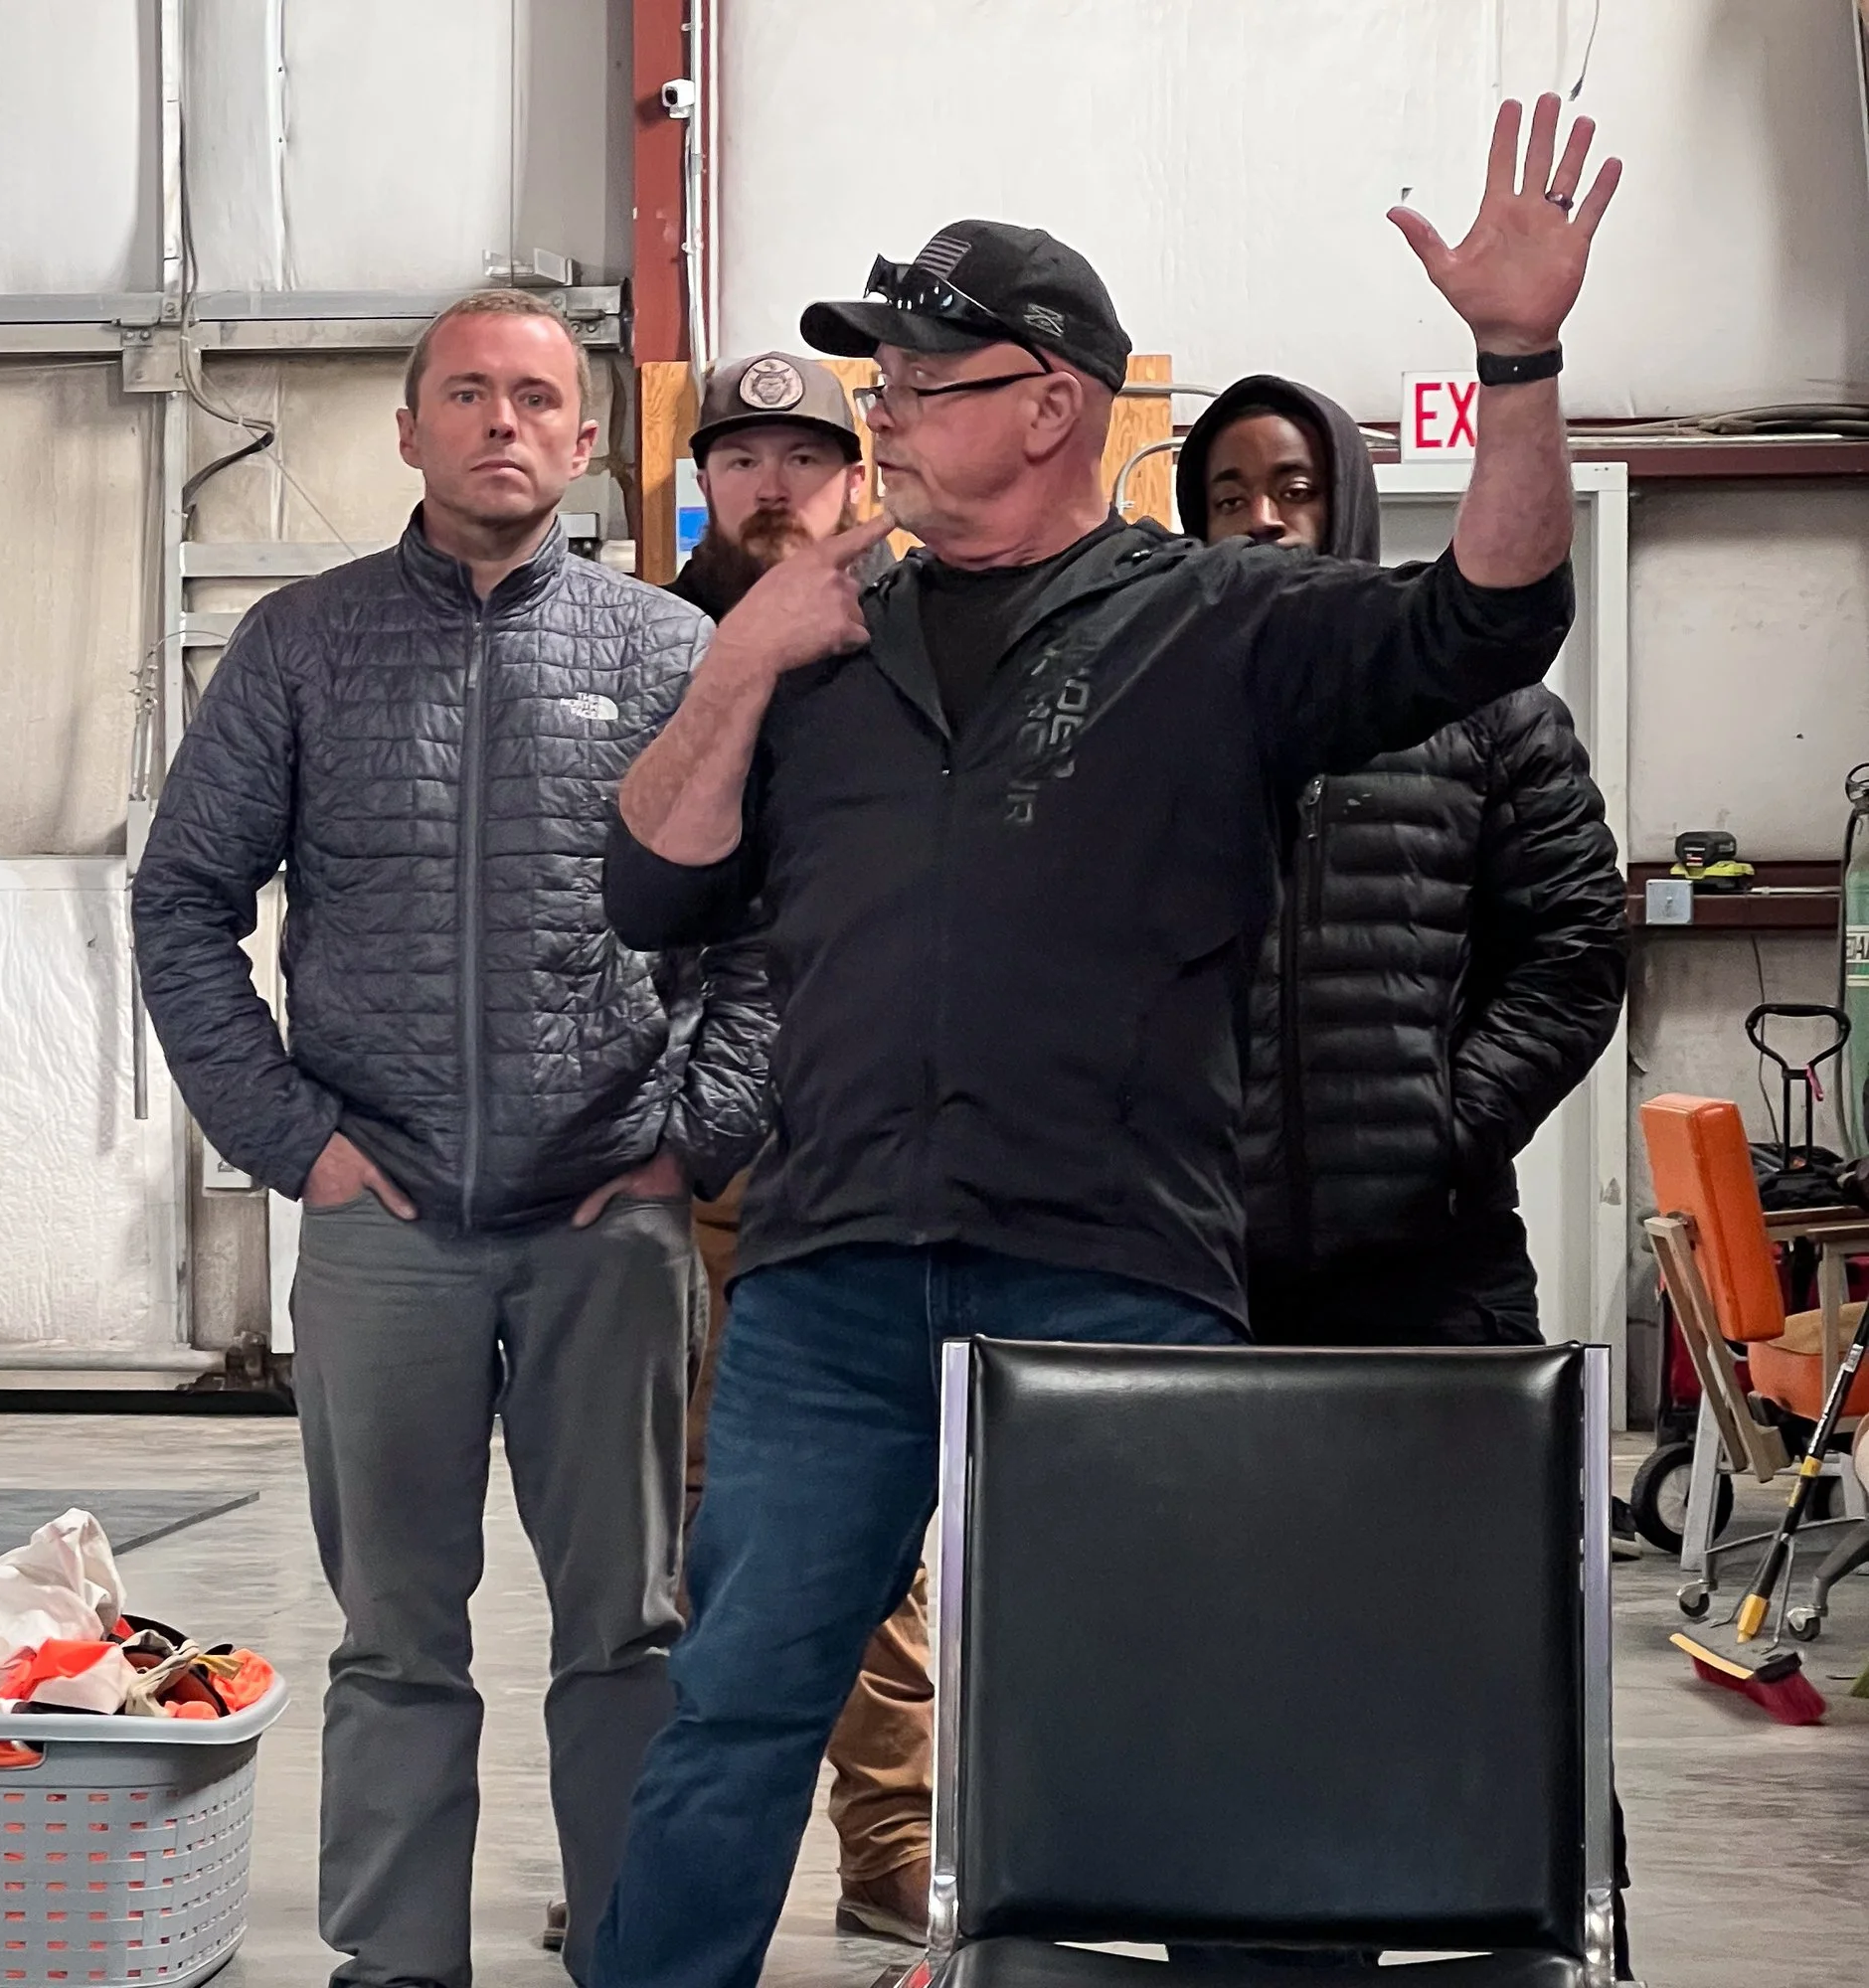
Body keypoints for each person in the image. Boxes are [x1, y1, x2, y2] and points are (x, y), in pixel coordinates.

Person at [591, 96, 1620, 1988]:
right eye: (882, 380)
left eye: (926, 379)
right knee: (733, 1709)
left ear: (1053, 403)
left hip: (1106, 1272)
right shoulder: (821, 643)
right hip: (828, 1275)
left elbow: (1491, 620)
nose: (887, 411)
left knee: (1182, 1725)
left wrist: (1517, 362)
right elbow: (651, 888)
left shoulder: (1215, 623)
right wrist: (735, 657)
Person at [130, 287, 770, 1988]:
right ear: (409, 430)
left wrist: (691, 1138)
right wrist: (295, 1142)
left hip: (607, 1230)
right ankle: (397, 1963)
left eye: (537, 399)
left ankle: (636, 1952)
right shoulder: (303, 646)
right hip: (383, 1227)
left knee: (626, 1635)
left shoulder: (666, 656)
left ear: (586, 441)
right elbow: (184, 901)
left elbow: (763, 936)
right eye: (469, 394)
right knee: (397, 1642)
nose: (504, 422)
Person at [1175, 375, 1625, 1352]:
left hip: (1436, 1267)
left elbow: (1576, 946)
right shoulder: (1153, 720)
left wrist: (1450, 1131)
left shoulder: (1490, 710)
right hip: (1200, 1268)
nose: (1261, 518)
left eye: (1294, 488)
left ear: (1347, 502)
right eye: (1228, 496)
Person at [670, 352, 934, 1946]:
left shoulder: (909, 641)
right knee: (687, 1517)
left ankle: (892, 1836)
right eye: (741, 455)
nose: (773, 484)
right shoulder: (650, 644)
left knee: (869, 1515)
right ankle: (667, 1848)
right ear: (702, 479)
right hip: (681, 1155)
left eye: (803, 456)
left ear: (857, 476)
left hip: (863, 1145)